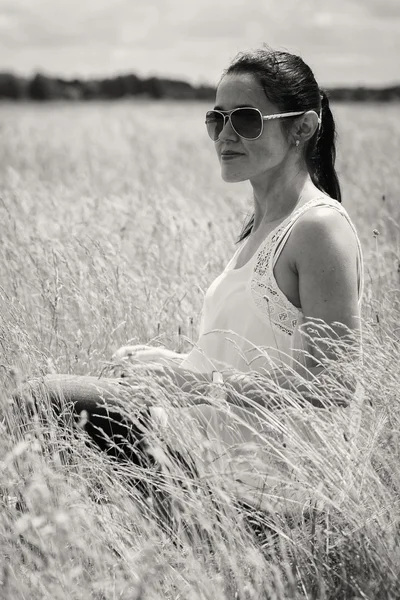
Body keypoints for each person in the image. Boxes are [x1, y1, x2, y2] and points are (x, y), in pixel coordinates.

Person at [18, 47, 364, 530]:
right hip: (210, 451)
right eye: (216, 118)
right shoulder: (263, 225)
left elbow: (333, 386)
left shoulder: (318, 228)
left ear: (302, 128)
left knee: (43, 400)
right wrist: (170, 363)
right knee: (57, 437)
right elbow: (248, 360)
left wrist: (193, 384)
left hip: (266, 490)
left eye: (245, 118)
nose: (225, 134)